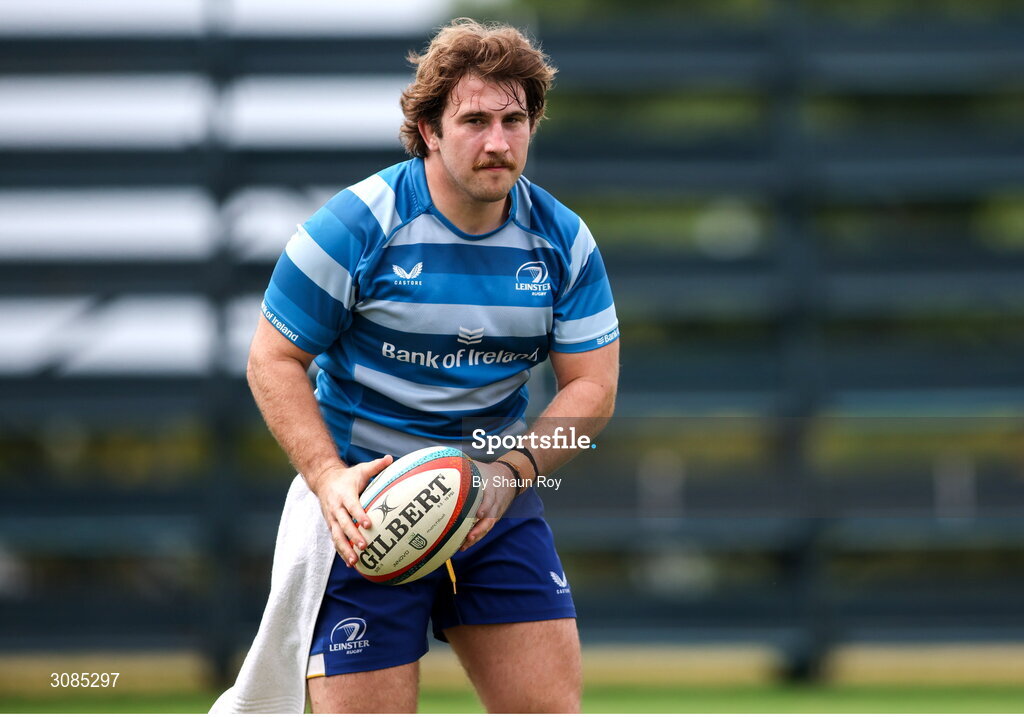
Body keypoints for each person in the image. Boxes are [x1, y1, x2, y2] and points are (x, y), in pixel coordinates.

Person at [245, 17, 619, 713]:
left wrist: (512, 473)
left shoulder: (564, 241)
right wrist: (327, 478)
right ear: (429, 131)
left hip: (495, 493)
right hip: (369, 508)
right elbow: (272, 358)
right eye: (475, 120)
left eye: (514, 120)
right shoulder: (354, 226)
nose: (498, 142)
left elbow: (593, 388)